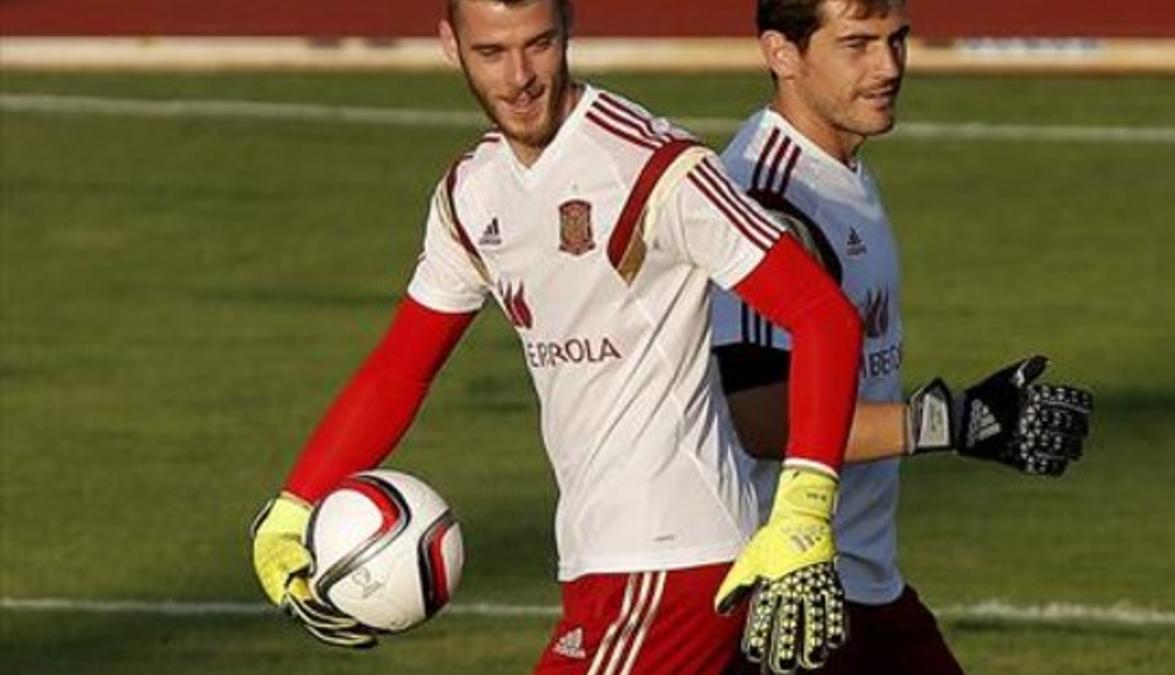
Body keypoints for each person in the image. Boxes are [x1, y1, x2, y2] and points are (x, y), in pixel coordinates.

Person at [251, 1, 867, 672]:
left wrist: (805, 509)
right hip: (602, 563)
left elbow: (822, 315)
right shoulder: (471, 193)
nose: (520, 77)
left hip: (671, 560)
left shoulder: (653, 167)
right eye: (492, 53)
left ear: (569, 28)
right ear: (450, 46)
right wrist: (295, 506)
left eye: (538, 44)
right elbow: (403, 367)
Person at [713, 1, 1095, 673]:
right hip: (789, 593)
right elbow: (763, 416)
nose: (888, 67)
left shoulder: (839, 173)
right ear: (782, 53)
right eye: (856, 44)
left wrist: (959, 426)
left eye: (897, 41)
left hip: (865, 581)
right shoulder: (766, 198)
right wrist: (949, 423)